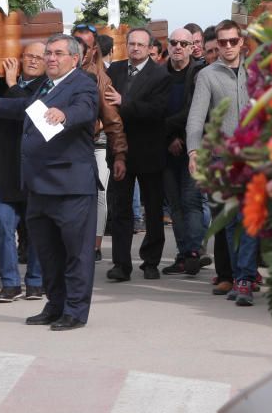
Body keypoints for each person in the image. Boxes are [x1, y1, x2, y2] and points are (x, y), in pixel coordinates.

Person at [0, 34, 100, 330]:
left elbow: (86, 109)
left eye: (58, 53)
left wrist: (64, 114)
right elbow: (26, 106)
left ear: (74, 59)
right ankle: (54, 305)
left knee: (75, 253)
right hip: (39, 185)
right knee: (48, 252)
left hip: (70, 186)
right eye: (48, 53)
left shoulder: (83, 83)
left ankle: (75, 311)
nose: (51, 58)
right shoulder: (46, 86)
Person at [187, 20, 256, 305]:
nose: (227, 47)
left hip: (255, 155)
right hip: (222, 156)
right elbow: (196, 116)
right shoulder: (207, 75)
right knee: (229, 219)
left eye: (232, 41)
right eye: (223, 42)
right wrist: (193, 152)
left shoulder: (257, 71)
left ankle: (245, 278)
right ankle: (239, 275)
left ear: (242, 42)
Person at [105, 28, 171, 281]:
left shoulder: (160, 74)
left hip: (149, 151)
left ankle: (151, 261)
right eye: (131, 43)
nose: (135, 48)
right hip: (120, 151)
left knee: (153, 210)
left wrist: (125, 103)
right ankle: (121, 264)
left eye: (140, 45)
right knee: (120, 208)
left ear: (149, 47)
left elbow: (157, 111)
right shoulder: (115, 70)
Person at [0, 44, 48, 301]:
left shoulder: (49, 87)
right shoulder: (1, 85)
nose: (33, 61)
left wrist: (12, 84)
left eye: (39, 57)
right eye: (28, 56)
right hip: (6, 168)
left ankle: (35, 281)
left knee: (35, 229)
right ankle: (10, 282)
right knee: (2, 225)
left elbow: (30, 111)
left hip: (34, 170)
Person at [71, 24, 128, 262]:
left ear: (94, 49)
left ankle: (94, 245)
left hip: (95, 144)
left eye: (87, 44)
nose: (82, 49)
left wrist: (120, 155)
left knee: (99, 195)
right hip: (64, 149)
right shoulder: (53, 71)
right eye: (77, 42)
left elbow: (113, 120)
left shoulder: (101, 78)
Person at [161, 28, 205, 276]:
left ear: (191, 48)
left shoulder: (199, 74)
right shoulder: (159, 74)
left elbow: (195, 110)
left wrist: (179, 137)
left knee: (192, 201)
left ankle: (194, 252)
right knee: (175, 204)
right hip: (165, 147)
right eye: (174, 42)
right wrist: (169, 138)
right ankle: (182, 253)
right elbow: (156, 109)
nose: (178, 47)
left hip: (192, 147)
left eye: (183, 43)